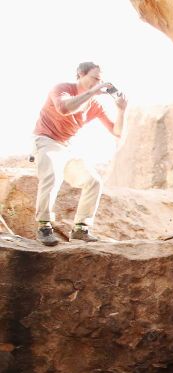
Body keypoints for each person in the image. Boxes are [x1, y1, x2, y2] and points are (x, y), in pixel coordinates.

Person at [32, 61, 127, 245]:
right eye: (95, 78)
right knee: (52, 174)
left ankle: (81, 229)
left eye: (101, 80)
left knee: (93, 181)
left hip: (67, 147)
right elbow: (64, 108)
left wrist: (121, 110)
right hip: (46, 141)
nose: (98, 83)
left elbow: (117, 132)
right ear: (80, 75)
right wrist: (92, 91)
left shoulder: (94, 105)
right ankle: (44, 226)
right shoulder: (62, 89)